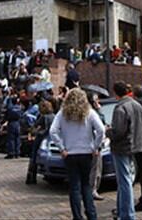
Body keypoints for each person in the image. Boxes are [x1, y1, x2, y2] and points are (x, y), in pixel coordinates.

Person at [50, 89, 105, 220]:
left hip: (70, 153)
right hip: (86, 152)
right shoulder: (89, 113)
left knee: (74, 186)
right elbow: (101, 130)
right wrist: (95, 147)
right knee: (86, 185)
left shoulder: (62, 114)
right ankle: (91, 214)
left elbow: (53, 131)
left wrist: (61, 148)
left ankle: (77, 216)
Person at [108, 81, 142, 220]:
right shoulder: (136, 105)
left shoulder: (120, 108)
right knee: (125, 179)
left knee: (124, 181)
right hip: (135, 144)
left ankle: (128, 214)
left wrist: (107, 132)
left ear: (116, 92)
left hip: (122, 147)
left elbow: (118, 131)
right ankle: (122, 210)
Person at [27, 100, 55, 185]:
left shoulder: (43, 117)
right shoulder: (54, 116)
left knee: (34, 156)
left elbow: (36, 125)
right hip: (51, 138)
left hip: (41, 137)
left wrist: (34, 132)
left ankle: (31, 177)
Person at [3, 93, 23, 159]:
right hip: (18, 123)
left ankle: (11, 153)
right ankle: (17, 153)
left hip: (11, 123)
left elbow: (6, 115)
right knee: (17, 138)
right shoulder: (19, 108)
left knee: (11, 138)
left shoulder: (10, 108)